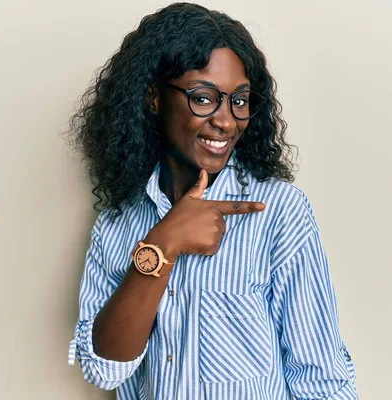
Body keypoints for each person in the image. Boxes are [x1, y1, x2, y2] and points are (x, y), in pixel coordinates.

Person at [66, 3, 357, 399]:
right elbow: (103, 369)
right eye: (204, 98)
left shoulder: (278, 212)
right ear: (153, 97)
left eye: (239, 100)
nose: (226, 120)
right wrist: (162, 245)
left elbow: (321, 375)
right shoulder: (118, 223)